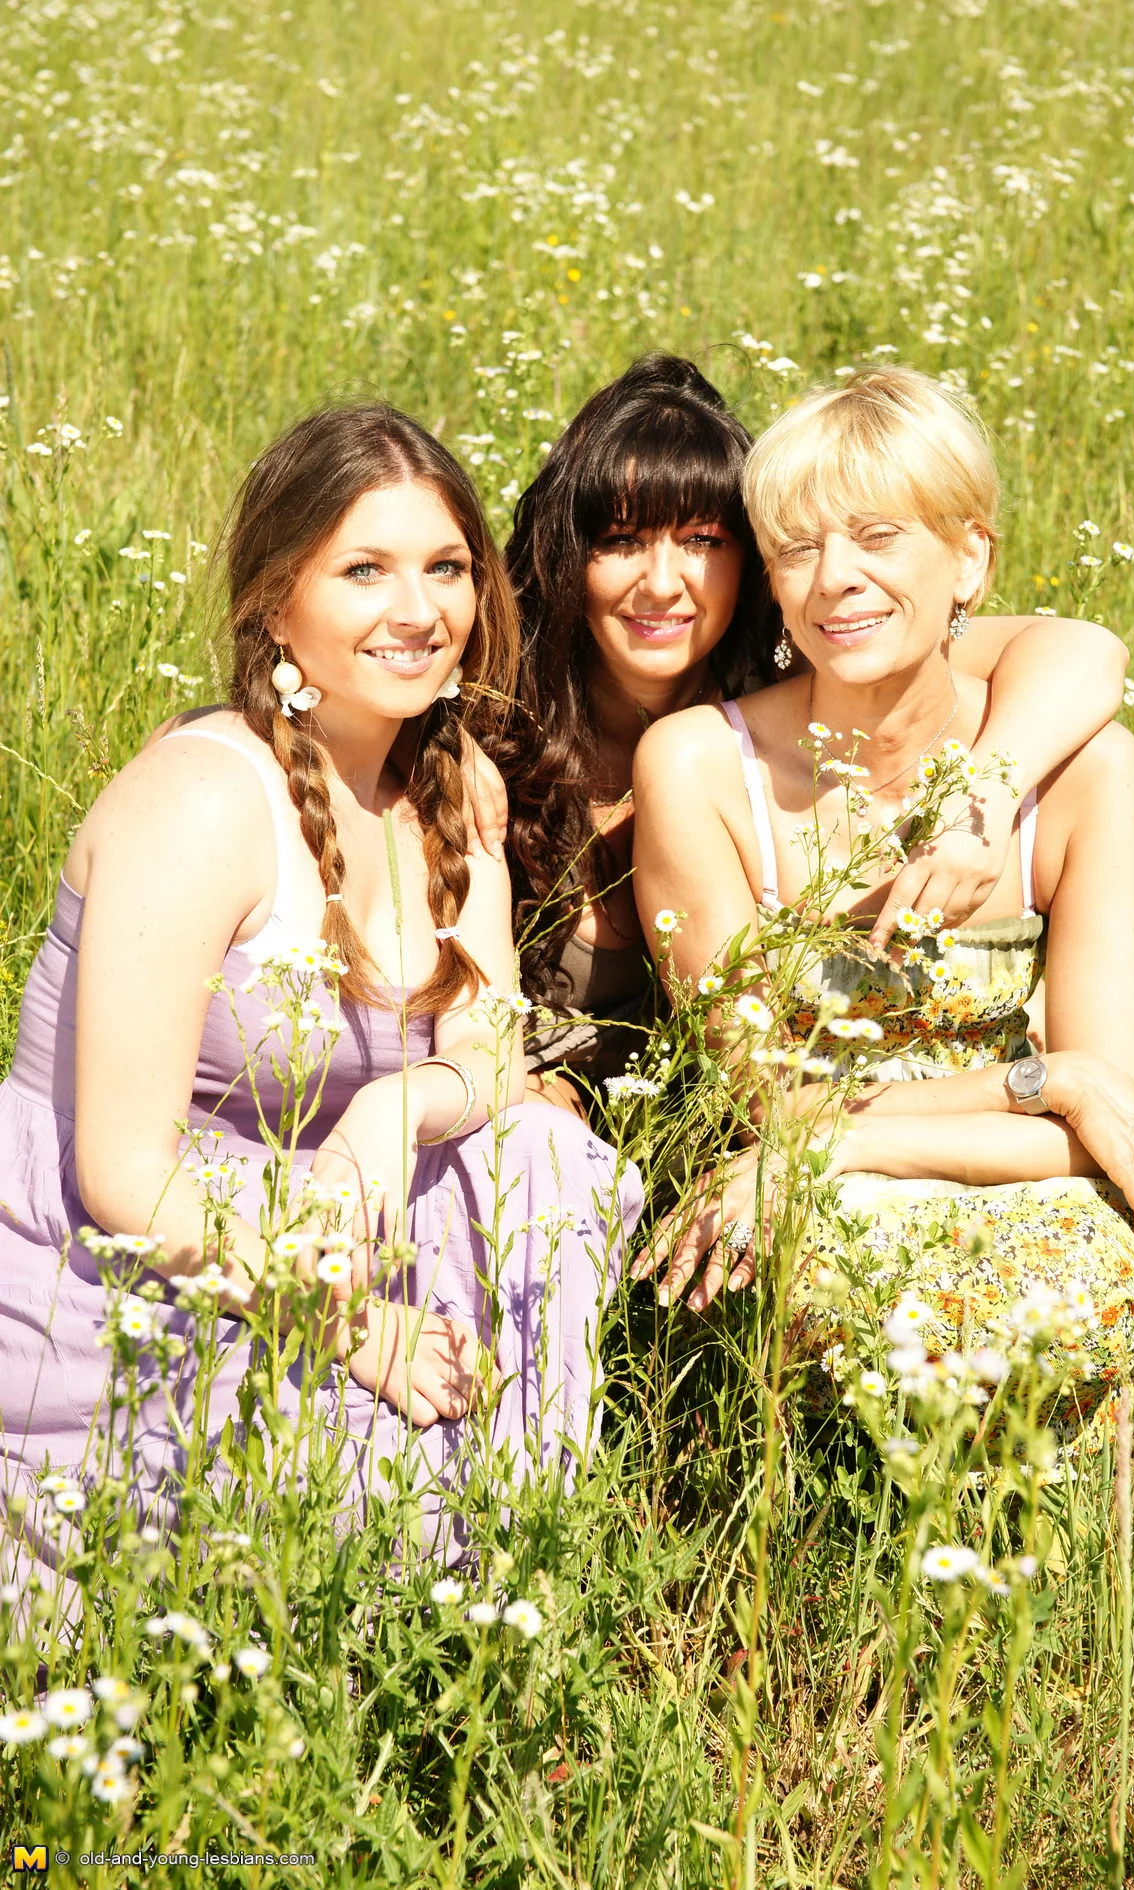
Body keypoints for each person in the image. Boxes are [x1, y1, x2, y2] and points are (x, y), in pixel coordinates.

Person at [0, 404, 642, 1578]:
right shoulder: (200, 801)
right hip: (128, 1260)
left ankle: (515, 1559)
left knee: (549, 1159)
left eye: (446, 567)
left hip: (324, 1215)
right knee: (324, 1519)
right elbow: (125, 1174)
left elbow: (497, 1047)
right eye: (365, 570)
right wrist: (349, 1327)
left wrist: (394, 1109)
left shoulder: (446, 784)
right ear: (276, 601)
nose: (420, 611)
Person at [630, 365, 1134, 1430]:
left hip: (1005, 1177)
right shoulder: (700, 769)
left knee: (1067, 1303)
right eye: (798, 550)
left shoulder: (1081, 772)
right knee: (862, 1303)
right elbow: (757, 1101)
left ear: (971, 558)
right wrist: (1051, 1084)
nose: (834, 579)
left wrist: (843, 1137)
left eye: (878, 537)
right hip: (816, 1188)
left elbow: (1111, 1120)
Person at [496, 353, 1132, 1118]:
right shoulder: (499, 731)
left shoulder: (831, 653)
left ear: (751, 566)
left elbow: (1085, 650)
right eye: (621, 540)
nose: (662, 583)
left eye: (702, 539)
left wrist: (983, 797)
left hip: (781, 1135)